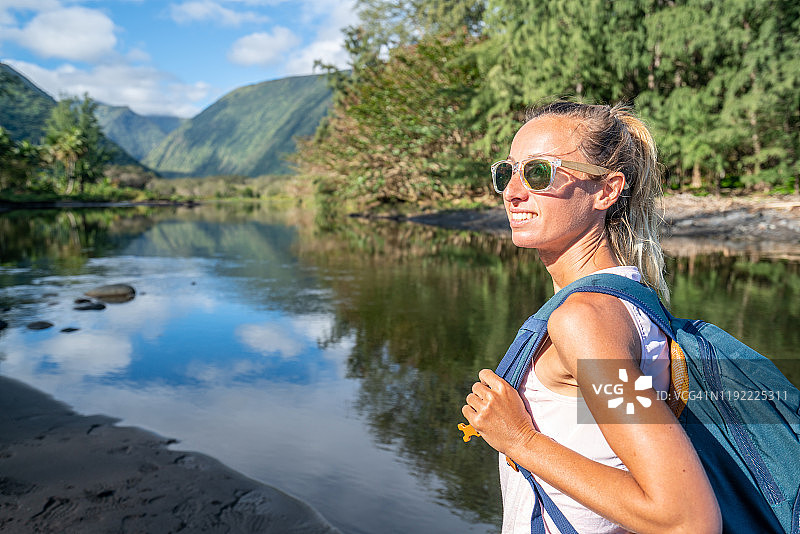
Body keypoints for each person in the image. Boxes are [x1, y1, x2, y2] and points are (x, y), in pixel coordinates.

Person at [461, 101, 722, 533]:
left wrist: (520, 440)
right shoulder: (626, 300)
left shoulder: (586, 320)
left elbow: (686, 519)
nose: (512, 191)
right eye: (507, 172)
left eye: (539, 172)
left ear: (606, 191)